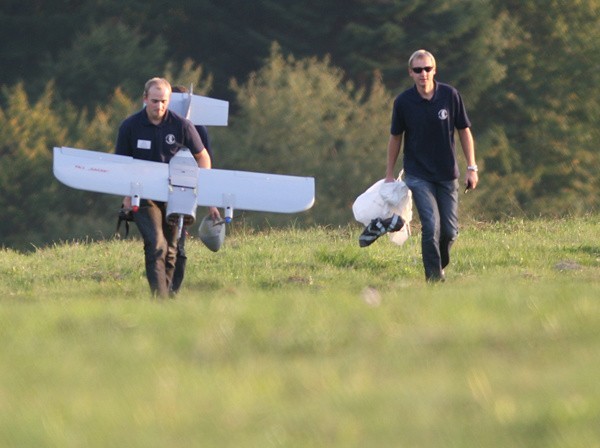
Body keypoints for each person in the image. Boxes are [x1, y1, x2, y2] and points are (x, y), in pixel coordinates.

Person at [116, 77, 220, 297]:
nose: (159, 106)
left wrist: (201, 188)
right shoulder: (130, 126)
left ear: (169, 100)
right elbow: (122, 165)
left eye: (163, 101)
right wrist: (126, 196)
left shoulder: (182, 126)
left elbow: (203, 157)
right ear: (145, 99)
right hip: (144, 195)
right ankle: (159, 298)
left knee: (172, 249)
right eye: (154, 101)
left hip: (176, 195)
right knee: (156, 244)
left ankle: (168, 295)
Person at [384, 49, 478, 282]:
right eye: (418, 70)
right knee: (430, 224)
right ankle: (434, 279)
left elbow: (464, 131)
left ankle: (439, 264)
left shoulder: (450, 95)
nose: (423, 74)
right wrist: (388, 174)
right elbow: (395, 137)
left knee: (449, 232)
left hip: (447, 174)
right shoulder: (403, 102)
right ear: (411, 73)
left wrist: (471, 167)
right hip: (417, 174)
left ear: (434, 70)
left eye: (427, 69)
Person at [170, 85, 214, 294]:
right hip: (162, 189)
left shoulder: (199, 130)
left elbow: (206, 164)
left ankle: (172, 290)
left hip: (186, 190)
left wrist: (210, 202)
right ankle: (163, 288)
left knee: (178, 241)